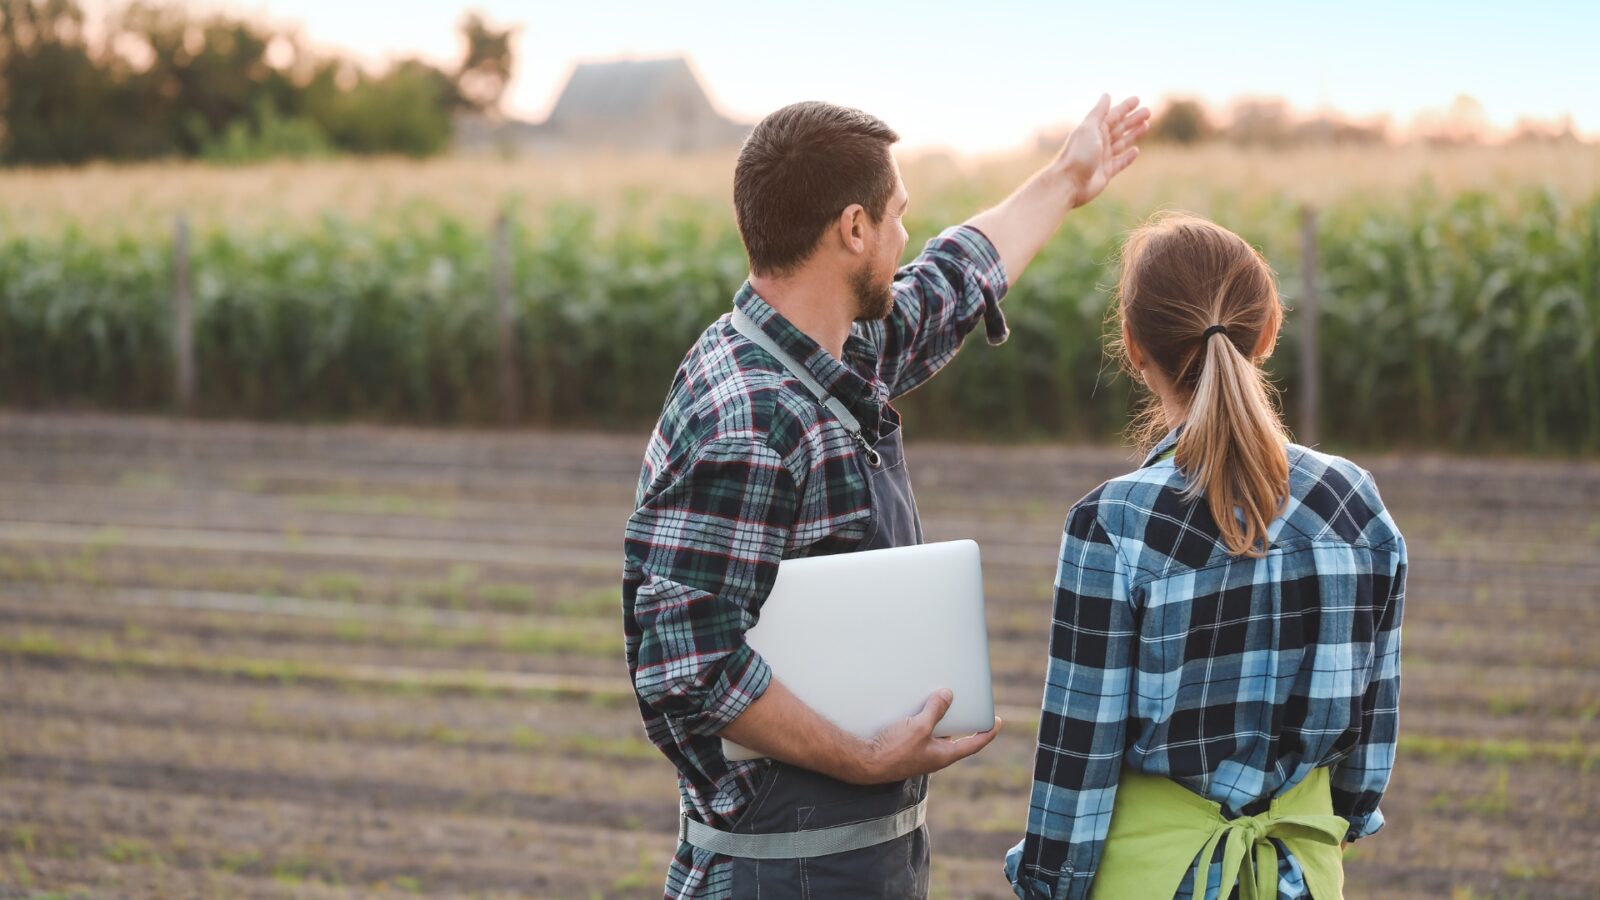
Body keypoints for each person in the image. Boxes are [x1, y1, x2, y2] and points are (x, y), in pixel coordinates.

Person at [622, 94, 1150, 899]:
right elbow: (686, 666)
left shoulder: (828, 349)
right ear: (854, 228)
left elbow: (952, 280)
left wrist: (1066, 179)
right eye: (898, 217)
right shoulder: (751, 421)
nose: (906, 239)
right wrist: (863, 757)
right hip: (787, 872)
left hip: (853, 857)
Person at [1005, 213, 1408, 900]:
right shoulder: (1355, 503)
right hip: (1299, 878)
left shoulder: (1114, 523)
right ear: (1269, 334)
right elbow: (1366, 750)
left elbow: (1079, 759)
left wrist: (1046, 881)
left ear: (1133, 347)